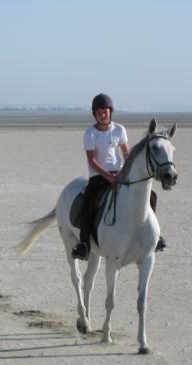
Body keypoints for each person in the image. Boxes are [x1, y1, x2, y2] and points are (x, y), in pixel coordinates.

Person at [71, 93, 166, 260]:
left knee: (151, 195)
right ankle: (84, 245)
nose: (102, 114)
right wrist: (109, 177)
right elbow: (92, 161)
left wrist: (128, 172)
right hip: (98, 177)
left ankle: (155, 238)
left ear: (110, 112)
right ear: (95, 113)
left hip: (120, 174)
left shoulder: (119, 130)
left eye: (105, 111)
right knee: (87, 203)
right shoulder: (90, 134)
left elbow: (126, 154)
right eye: (99, 112)